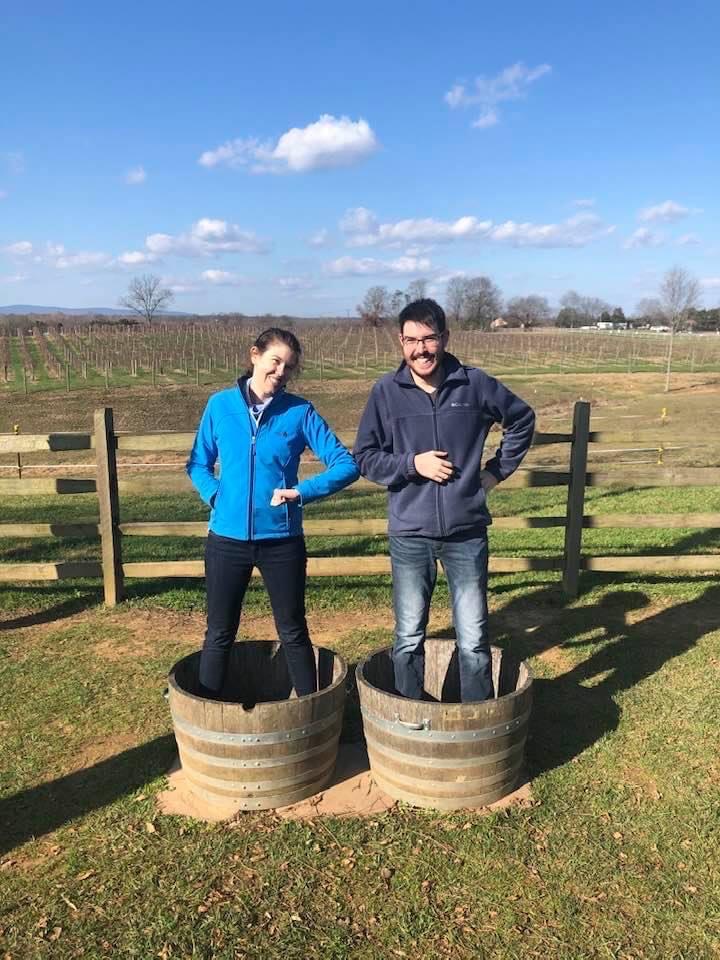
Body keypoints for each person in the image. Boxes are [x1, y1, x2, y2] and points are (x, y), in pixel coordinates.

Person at [354, 299, 535, 702]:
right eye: (412, 340)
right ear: (401, 342)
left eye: (429, 339)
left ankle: (476, 723)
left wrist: (494, 473)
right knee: (408, 635)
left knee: (472, 638)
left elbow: (522, 419)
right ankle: (409, 718)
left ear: (445, 338)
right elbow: (365, 457)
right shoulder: (386, 392)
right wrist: (412, 464)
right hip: (410, 534)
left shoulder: (474, 384)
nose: (421, 349)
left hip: (466, 533)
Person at [187, 328, 359, 699]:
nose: (281, 372)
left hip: (282, 542)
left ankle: (311, 715)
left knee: (293, 631)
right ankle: (207, 714)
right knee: (219, 632)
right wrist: (217, 496)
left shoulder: (299, 412)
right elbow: (198, 464)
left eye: (289, 367)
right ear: (255, 355)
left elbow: (345, 465)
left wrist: (301, 492)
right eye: (275, 361)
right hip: (226, 541)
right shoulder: (219, 406)